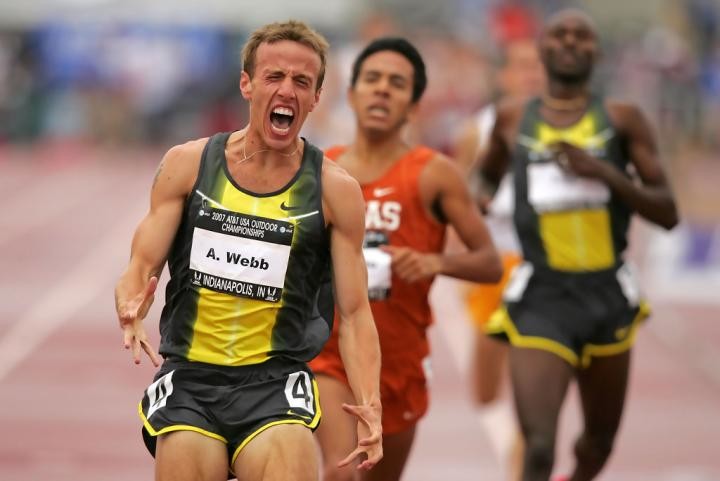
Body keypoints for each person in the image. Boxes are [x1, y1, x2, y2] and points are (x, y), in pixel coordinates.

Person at [114, 20, 383, 481]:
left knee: (293, 462)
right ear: (247, 84)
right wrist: (129, 304)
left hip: (274, 384)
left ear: (316, 98)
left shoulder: (334, 191)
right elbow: (140, 266)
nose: (287, 90)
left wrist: (370, 403)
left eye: (302, 82)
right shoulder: (188, 164)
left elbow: (356, 313)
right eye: (274, 76)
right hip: (191, 379)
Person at [480, 9, 679, 481]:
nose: (570, 42)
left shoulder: (622, 120)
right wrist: (481, 205)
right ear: (542, 49)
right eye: (560, 34)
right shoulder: (513, 118)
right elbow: (484, 176)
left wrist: (606, 173)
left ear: (597, 51)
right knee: (538, 448)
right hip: (542, 297)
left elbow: (667, 212)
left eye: (582, 36)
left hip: (607, 295)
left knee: (596, 445)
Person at [309, 37, 503, 481]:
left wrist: (436, 263)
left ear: (414, 106)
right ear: (352, 94)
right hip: (330, 353)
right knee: (340, 471)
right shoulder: (322, 170)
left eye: (397, 84)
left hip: (399, 361)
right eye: (372, 79)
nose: (382, 89)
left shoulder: (435, 174)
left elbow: (489, 262)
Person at [452, 37, 546, 481]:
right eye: (522, 66)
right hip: (496, 268)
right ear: (504, 76)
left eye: (539, 66)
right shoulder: (479, 129)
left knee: (535, 395)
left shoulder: (574, 127)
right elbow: (455, 201)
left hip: (546, 272)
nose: (532, 75)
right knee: (486, 393)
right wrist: (464, 267)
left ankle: (523, 463)